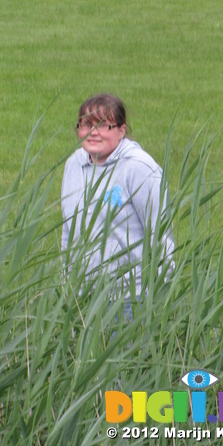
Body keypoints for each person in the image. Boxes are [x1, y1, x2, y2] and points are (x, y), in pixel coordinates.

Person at [61, 93, 174, 302]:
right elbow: (69, 232)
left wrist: (159, 296)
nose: (93, 133)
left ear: (122, 131)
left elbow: (161, 235)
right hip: (82, 297)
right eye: (86, 125)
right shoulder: (74, 165)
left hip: (131, 298)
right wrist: (67, 285)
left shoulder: (139, 168)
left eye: (104, 126)